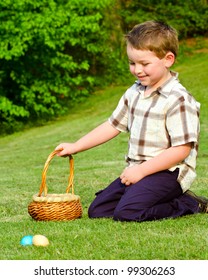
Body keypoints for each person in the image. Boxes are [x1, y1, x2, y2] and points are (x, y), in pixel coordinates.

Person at [55, 20, 208, 222]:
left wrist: (141, 171)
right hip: (137, 170)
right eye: (132, 63)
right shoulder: (134, 92)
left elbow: (181, 150)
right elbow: (112, 125)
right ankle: (140, 195)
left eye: (144, 64)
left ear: (168, 59)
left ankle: (187, 204)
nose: (137, 70)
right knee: (98, 210)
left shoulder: (178, 99)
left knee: (127, 213)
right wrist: (76, 146)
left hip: (168, 173)